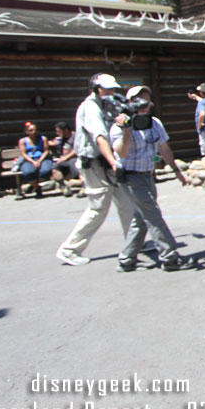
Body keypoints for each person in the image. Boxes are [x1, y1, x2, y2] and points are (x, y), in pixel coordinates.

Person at [112, 85, 195, 272]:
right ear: (129, 103)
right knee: (153, 215)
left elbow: (164, 148)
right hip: (130, 177)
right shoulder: (119, 125)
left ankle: (126, 260)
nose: (144, 104)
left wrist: (176, 171)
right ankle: (170, 257)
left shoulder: (154, 123)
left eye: (147, 100)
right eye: (139, 100)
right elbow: (122, 153)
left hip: (148, 176)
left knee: (140, 219)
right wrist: (126, 129)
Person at [56, 74, 132, 266]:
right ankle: (70, 249)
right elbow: (99, 136)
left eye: (113, 88)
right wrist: (113, 161)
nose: (112, 92)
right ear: (96, 88)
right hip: (95, 163)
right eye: (108, 88)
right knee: (98, 208)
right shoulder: (90, 107)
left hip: (104, 162)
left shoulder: (105, 105)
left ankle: (133, 242)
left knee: (126, 201)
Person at [17, 121, 53, 198]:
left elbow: (46, 150)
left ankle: (34, 185)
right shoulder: (22, 141)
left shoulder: (43, 139)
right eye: (31, 130)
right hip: (29, 160)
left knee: (46, 171)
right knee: (28, 172)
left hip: (42, 159)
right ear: (27, 132)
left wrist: (39, 161)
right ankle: (37, 188)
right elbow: (23, 153)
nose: (34, 132)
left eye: (35, 130)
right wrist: (33, 162)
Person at [48, 121, 79, 196]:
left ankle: (83, 186)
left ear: (65, 130)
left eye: (59, 131)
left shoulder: (75, 136)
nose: (57, 133)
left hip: (75, 159)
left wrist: (66, 157)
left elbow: (77, 149)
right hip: (65, 160)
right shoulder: (62, 139)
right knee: (55, 168)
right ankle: (63, 187)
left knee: (73, 163)